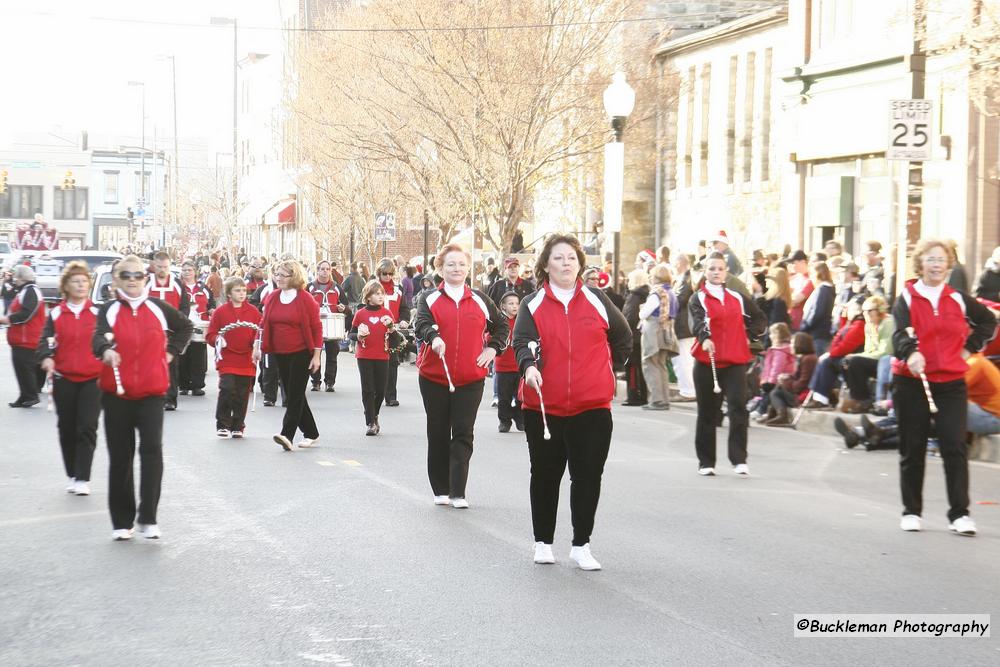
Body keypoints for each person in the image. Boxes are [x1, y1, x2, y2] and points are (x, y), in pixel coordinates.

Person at [513, 234, 631, 569]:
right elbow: (521, 342)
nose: (565, 263)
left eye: (571, 258)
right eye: (558, 258)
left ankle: (582, 544)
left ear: (579, 264)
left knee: (588, 476)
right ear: (546, 265)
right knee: (546, 475)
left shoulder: (596, 299)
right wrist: (529, 368)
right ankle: (543, 542)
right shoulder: (531, 304)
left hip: (591, 407)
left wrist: (609, 371)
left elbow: (623, 337)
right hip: (544, 407)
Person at [891, 239, 996, 536]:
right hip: (912, 382)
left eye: (941, 260)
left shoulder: (959, 299)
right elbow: (899, 333)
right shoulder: (908, 298)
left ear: (949, 265)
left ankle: (959, 514)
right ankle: (911, 511)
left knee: (954, 445)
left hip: (950, 382)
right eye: (930, 259)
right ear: (920, 263)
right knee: (913, 448)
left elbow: (987, 321)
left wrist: (967, 350)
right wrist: (911, 353)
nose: (936, 265)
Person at [93, 255, 193, 540]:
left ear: (145, 279)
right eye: (126, 276)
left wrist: (171, 352)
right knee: (121, 457)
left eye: (138, 275)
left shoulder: (158, 308)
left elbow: (185, 327)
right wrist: (105, 351)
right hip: (117, 394)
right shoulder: (109, 310)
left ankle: (148, 517)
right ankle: (122, 522)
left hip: (151, 393)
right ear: (118, 280)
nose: (133, 280)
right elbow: (97, 338)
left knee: (151, 452)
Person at [413, 244, 507, 509]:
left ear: (468, 268)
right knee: (438, 431)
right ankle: (440, 488)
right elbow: (421, 323)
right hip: (434, 377)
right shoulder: (429, 298)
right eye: (450, 264)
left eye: (461, 264)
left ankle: (458, 491)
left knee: (464, 432)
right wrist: (434, 338)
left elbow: (501, 326)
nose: (456, 269)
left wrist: (492, 349)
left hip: (470, 379)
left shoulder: (480, 299)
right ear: (440, 268)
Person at [689, 252, 766, 475]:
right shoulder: (698, 298)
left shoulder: (737, 297)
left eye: (720, 269)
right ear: (705, 271)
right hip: (708, 361)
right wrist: (705, 339)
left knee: (738, 407)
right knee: (707, 412)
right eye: (712, 268)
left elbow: (759, 318)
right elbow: (697, 321)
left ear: (725, 272)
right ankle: (706, 462)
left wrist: (749, 336)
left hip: (734, 361)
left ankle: (739, 459)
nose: (716, 272)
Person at [37, 261, 103, 495]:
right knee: (67, 427)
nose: (80, 285)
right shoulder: (56, 313)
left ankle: (83, 477)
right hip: (64, 378)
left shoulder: (97, 312)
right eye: (75, 281)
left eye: (84, 281)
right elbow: (44, 341)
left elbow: (108, 340)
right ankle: (72, 473)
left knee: (87, 426)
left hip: (92, 379)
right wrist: (46, 357)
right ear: (66, 285)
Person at [259, 260, 323, 452]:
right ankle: (311, 432)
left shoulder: (305, 299)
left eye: (283, 275)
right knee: (293, 393)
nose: (278, 278)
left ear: (294, 277)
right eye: (276, 274)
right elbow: (264, 322)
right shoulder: (272, 297)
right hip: (279, 352)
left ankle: (287, 434)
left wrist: (316, 356)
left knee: (293, 395)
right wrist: (258, 345)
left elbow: (316, 328)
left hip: (301, 352)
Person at [205, 277, 262, 438]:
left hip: (246, 359)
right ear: (229, 293)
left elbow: (259, 333)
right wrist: (218, 339)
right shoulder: (220, 312)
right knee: (227, 388)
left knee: (242, 393)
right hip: (227, 358)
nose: (242, 293)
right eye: (238, 290)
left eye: (244, 290)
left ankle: (238, 425)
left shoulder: (253, 312)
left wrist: (257, 346)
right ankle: (222, 424)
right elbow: (210, 334)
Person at [801, 298, 866, 410]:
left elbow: (846, 346)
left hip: (853, 359)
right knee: (825, 362)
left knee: (826, 362)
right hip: (846, 357)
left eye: (849, 308)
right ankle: (821, 397)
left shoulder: (859, 325)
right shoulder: (851, 324)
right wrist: (844, 317)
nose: (846, 310)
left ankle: (821, 398)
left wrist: (830, 354)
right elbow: (837, 340)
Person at [350, 281, 395, 435]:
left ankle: (374, 414)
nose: (381, 296)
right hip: (364, 355)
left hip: (382, 355)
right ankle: (370, 422)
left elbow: (393, 337)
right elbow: (351, 334)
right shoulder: (360, 313)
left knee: (381, 389)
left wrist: (391, 327)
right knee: (368, 389)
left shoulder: (387, 313)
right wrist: (359, 335)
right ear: (368, 297)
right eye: (377, 293)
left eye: (382, 293)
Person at [148, 251, 190, 411]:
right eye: (159, 266)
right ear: (154, 266)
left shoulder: (177, 284)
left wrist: (180, 322)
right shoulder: (147, 282)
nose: (162, 270)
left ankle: (170, 398)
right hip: (151, 331)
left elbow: (184, 305)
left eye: (165, 267)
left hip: (171, 332)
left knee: (171, 364)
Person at [0, 265, 45, 407]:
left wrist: (8, 319)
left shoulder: (31, 291)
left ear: (21, 278)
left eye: (15, 276)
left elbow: (27, 314)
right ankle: (24, 395)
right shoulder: (25, 290)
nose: (13, 279)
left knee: (25, 369)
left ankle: (31, 395)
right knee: (21, 368)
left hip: (27, 338)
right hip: (21, 338)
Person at [841, 295, 894, 414]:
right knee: (845, 362)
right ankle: (858, 398)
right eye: (864, 311)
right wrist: (856, 356)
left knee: (855, 361)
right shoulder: (868, 326)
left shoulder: (888, 323)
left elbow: (885, 351)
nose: (866, 314)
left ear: (880, 310)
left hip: (887, 361)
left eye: (870, 310)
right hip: (875, 359)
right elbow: (869, 350)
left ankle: (863, 400)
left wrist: (857, 357)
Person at [638, 263, 678, 410]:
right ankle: (664, 399)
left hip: (653, 332)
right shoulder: (671, 293)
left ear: (656, 278)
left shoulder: (657, 293)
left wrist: (641, 309)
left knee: (650, 365)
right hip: (667, 332)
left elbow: (644, 314)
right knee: (661, 366)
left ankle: (656, 400)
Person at [307, 260, 348, 392]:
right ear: (317, 270)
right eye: (322, 269)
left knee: (332, 355)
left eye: (327, 269)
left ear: (330, 271)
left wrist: (343, 308)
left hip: (332, 325)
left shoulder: (336, 287)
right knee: (314, 353)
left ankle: (330, 382)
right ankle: (316, 381)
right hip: (315, 325)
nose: (325, 271)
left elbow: (347, 306)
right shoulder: (309, 287)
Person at [375, 258, 411, 407]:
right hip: (376, 332)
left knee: (393, 363)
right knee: (377, 364)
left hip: (393, 331)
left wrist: (404, 320)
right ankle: (377, 395)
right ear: (379, 273)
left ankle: (391, 396)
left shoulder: (398, 288)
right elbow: (364, 306)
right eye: (385, 273)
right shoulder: (372, 288)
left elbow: (404, 309)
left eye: (390, 273)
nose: (388, 277)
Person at [763, 332, 818, 425]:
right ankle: (773, 414)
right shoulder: (805, 358)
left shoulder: (808, 359)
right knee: (778, 387)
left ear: (800, 344)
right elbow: (798, 378)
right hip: (801, 393)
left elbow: (801, 384)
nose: (791, 346)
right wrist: (788, 377)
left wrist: (785, 381)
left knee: (775, 392)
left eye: (792, 343)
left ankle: (780, 416)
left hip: (803, 397)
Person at [179, 261, 215, 397]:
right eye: (184, 270)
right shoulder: (179, 287)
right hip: (184, 325)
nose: (187, 272)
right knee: (183, 355)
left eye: (189, 270)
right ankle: (183, 385)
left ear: (195, 271)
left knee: (198, 355)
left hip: (200, 325)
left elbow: (211, 304)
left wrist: (211, 310)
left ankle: (197, 385)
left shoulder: (203, 288)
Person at [750, 323, 795, 422]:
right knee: (765, 394)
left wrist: (771, 381)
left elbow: (777, 367)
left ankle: (761, 411)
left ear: (777, 335)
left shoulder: (780, 351)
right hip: (776, 379)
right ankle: (759, 409)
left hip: (777, 380)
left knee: (767, 394)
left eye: (771, 334)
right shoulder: (780, 349)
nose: (770, 336)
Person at [494, 291, 524, 432]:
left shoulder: (522, 320)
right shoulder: (500, 321)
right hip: (503, 367)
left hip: (519, 366)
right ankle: (504, 421)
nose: (515, 306)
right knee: (504, 397)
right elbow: (491, 338)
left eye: (517, 303)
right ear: (503, 306)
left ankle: (520, 419)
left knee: (520, 396)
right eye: (511, 303)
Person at [621, 269, 650, 406]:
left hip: (633, 338)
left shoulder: (634, 296)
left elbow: (629, 317)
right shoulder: (646, 294)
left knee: (632, 368)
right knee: (640, 368)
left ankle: (634, 396)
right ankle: (642, 395)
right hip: (641, 336)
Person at [671, 254, 696, 401]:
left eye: (674, 263)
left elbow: (679, 300)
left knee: (683, 360)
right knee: (684, 359)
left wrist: (667, 300)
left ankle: (688, 391)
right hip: (684, 326)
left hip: (684, 326)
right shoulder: (684, 279)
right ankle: (688, 389)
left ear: (680, 263)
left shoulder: (686, 279)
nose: (673, 266)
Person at [799, 262, 835, 355]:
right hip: (820, 333)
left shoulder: (823, 289)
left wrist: (805, 327)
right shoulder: (826, 289)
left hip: (818, 334)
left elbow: (817, 312)